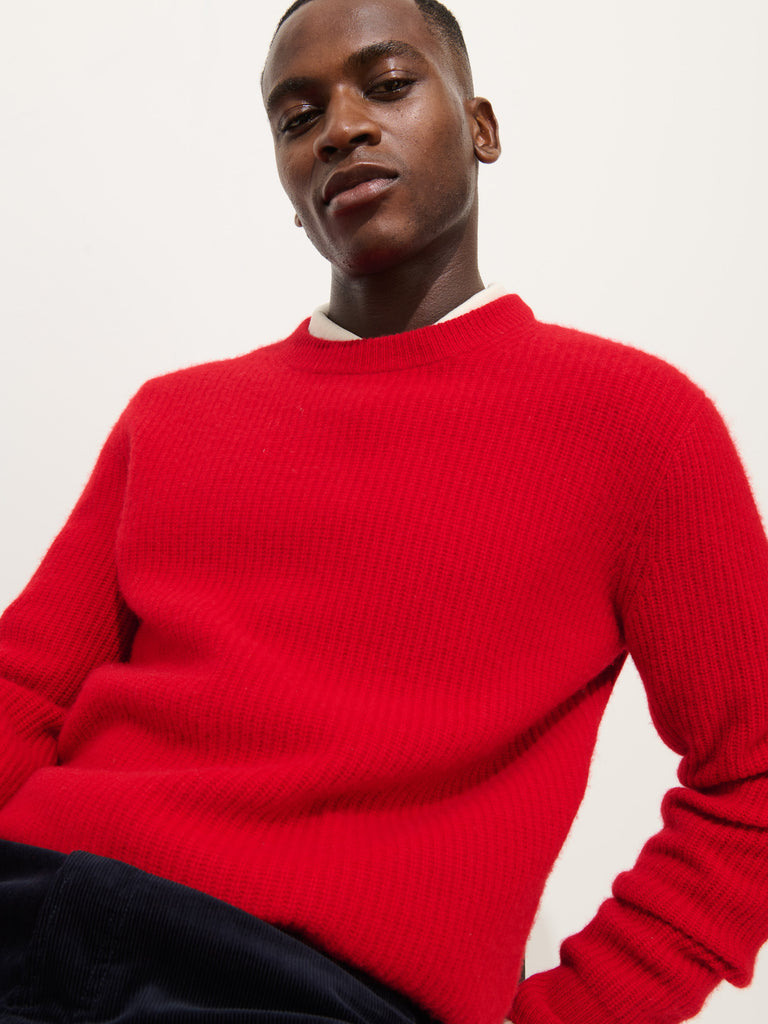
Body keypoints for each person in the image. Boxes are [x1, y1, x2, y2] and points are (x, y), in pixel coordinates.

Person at [1, 1, 767, 1023]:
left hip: (294, 989)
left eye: (389, 84)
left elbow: (753, 779)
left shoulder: (638, 427)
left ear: (482, 127)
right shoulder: (172, 417)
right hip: (27, 906)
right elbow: (22, 690)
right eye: (297, 117)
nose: (341, 128)